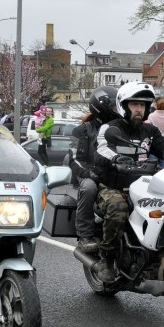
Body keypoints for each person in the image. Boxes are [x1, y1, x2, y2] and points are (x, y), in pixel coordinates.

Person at [93, 82, 164, 283]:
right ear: (123, 106)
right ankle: (107, 258)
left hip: (144, 185)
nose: (139, 109)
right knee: (118, 207)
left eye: (143, 105)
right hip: (113, 185)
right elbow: (102, 150)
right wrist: (115, 158)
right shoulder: (110, 128)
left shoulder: (150, 130)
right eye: (134, 104)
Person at [70, 86, 119, 254]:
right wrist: (91, 173)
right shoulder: (83, 130)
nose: (117, 110)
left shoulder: (120, 128)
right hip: (90, 175)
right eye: (113, 107)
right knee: (89, 186)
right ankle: (85, 235)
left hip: (115, 174)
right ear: (101, 107)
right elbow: (75, 159)